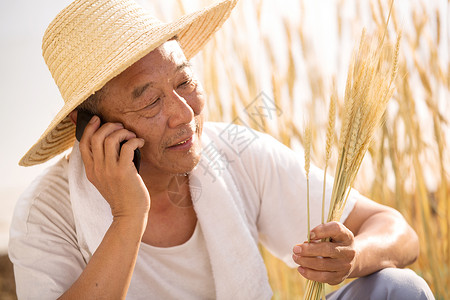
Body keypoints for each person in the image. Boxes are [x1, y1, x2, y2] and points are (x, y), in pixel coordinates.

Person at [9, 0, 434, 299]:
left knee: (400, 290)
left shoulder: (233, 153)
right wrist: (127, 217)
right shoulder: (45, 213)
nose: (183, 114)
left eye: (184, 82)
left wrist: (353, 257)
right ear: (91, 130)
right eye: (150, 101)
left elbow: (396, 230)